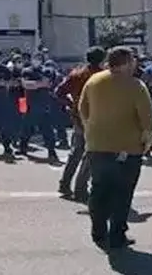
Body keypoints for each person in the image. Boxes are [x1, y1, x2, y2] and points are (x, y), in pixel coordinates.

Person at [78, 46, 152, 249]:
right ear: (127, 63)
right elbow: (147, 119)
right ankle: (117, 235)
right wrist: (147, 143)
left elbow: (82, 108)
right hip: (127, 148)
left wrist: (90, 129)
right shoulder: (135, 85)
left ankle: (98, 232)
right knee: (122, 194)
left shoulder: (93, 81)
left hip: (97, 145)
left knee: (98, 189)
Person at [55, 46, 104, 202]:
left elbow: (59, 92)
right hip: (96, 118)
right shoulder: (103, 76)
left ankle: (64, 184)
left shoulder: (76, 74)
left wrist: (71, 104)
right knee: (91, 154)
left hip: (78, 117)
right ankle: (80, 189)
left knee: (76, 152)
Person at [19, 52, 58, 162]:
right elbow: (25, 84)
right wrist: (39, 84)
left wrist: (34, 84)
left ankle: (52, 152)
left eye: (39, 58)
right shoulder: (26, 70)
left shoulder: (47, 70)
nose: (37, 60)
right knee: (26, 128)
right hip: (28, 104)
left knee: (47, 130)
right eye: (35, 58)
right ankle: (23, 148)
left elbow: (47, 83)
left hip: (43, 104)